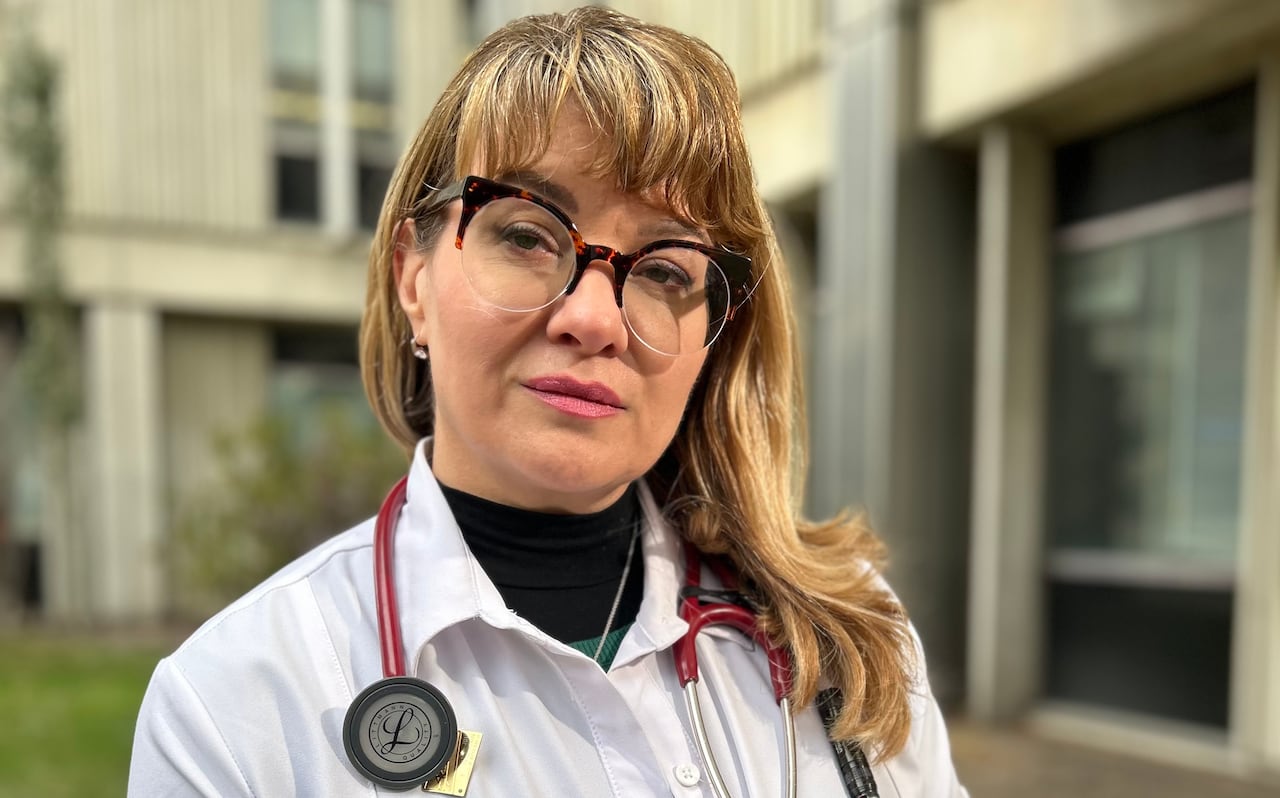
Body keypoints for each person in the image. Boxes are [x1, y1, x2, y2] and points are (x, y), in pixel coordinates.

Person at [129, 7, 968, 796]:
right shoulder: (236, 708)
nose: (596, 319)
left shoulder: (849, 637)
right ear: (412, 276)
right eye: (527, 234)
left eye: (668, 270)